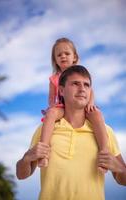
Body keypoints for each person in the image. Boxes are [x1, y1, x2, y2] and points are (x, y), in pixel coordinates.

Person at [16, 65, 126, 200]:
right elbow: (21, 175)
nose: (82, 89)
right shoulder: (45, 129)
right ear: (61, 90)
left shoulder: (105, 131)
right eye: (75, 83)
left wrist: (120, 168)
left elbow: (123, 180)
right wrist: (27, 158)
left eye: (86, 85)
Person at [39, 38, 108, 173]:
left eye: (66, 53)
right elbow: (51, 96)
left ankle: (105, 155)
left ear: (74, 57)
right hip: (62, 107)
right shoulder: (54, 78)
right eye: (59, 55)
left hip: (81, 106)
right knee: (51, 114)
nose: (63, 56)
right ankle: (43, 153)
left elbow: (90, 91)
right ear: (55, 60)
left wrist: (91, 104)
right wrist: (52, 106)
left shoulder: (79, 74)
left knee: (97, 114)